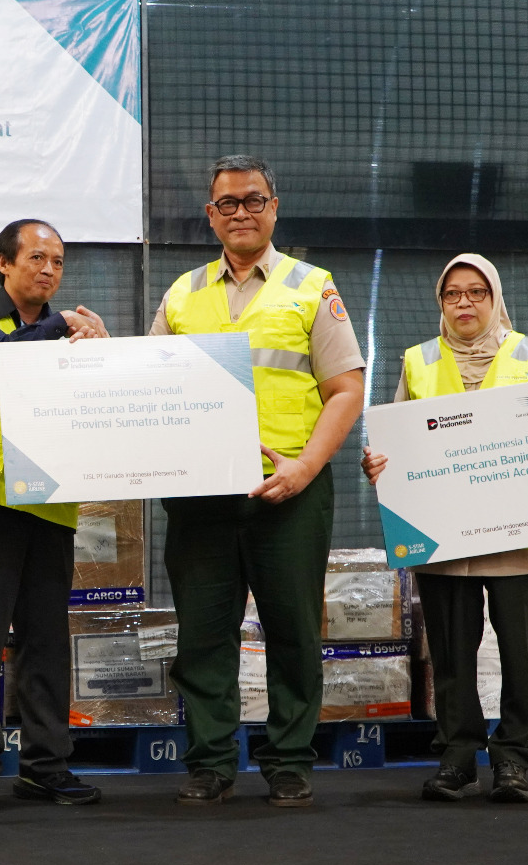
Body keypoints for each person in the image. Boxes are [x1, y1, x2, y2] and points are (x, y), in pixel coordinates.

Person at [149, 155, 366, 808]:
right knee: (203, 637)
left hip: (290, 495)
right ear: (210, 215)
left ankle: (289, 763)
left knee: (294, 630)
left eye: (253, 199)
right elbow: (148, 389)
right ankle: (211, 763)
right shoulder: (181, 294)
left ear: (275, 206)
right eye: (226, 204)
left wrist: (304, 468)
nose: (240, 212)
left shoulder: (312, 286)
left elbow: (346, 390)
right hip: (201, 501)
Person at [361, 253, 528, 804]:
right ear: (440, 302)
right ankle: (457, 757)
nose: (465, 303)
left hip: (519, 538)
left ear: (495, 299)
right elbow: (396, 443)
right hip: (444, 538)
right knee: (450, 655)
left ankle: (514, 759)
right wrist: (378, 464)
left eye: (477, 292)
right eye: (453, 294)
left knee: (521, 653)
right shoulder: (417, 361)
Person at [0, 219, 109, 812]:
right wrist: (66, 327)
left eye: (58, 261)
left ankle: (46, 767)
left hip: (50, 503)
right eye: (37, 258)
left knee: (46, 643)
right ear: (3, 263)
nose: (50, 270)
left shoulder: (77, 335)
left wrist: (102, 352)